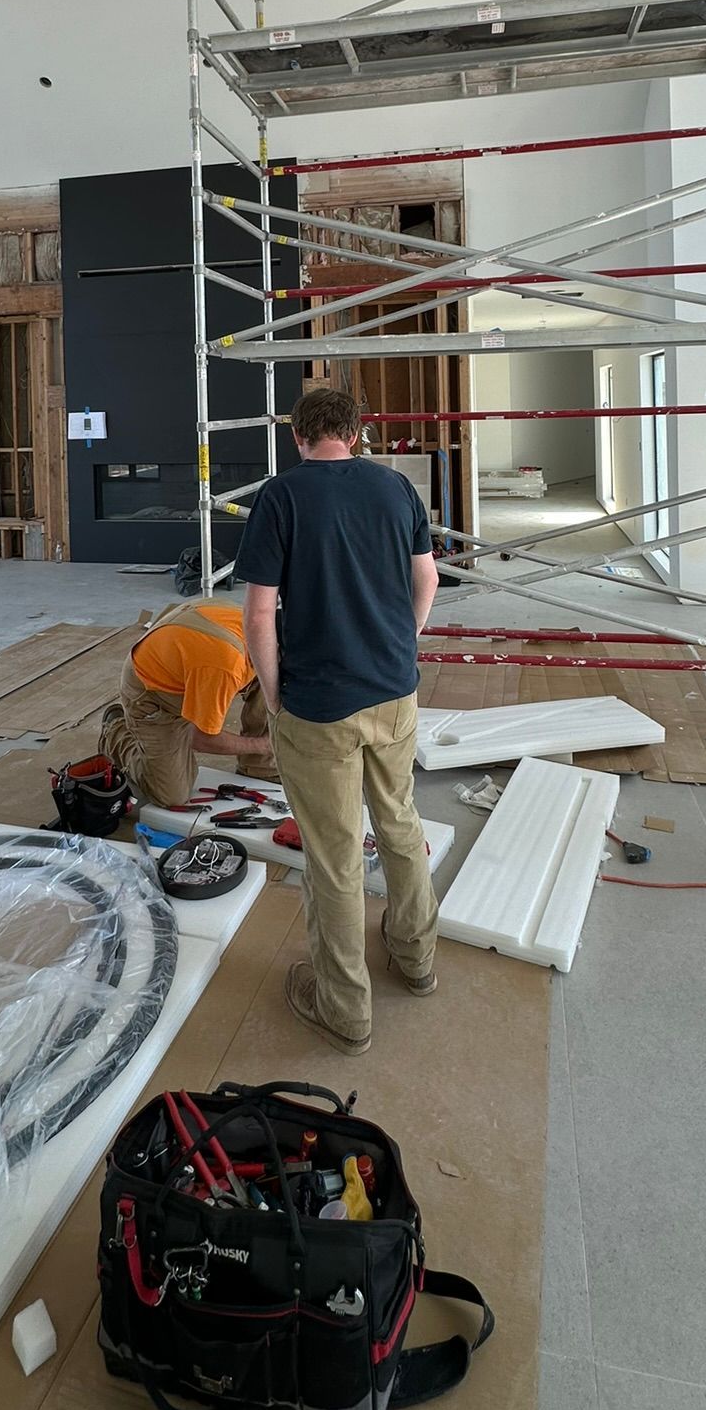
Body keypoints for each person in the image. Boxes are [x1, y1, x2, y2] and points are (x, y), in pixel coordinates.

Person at [235, 387, 442, 1056]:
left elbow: (261, 614)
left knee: (334, 855)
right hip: (393, 691)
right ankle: (416, 961)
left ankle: (346, 1011)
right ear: (355, 434)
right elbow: (428, 578)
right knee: (401, 824)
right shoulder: (395, 490)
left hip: (319, 703)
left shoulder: (281, 497)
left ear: (300, 437)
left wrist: (273, 694)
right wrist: (401, 643)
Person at [99, 600, 274, 810]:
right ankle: (116, 730)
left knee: (274, 681)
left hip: (189, 663)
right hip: (152, 697)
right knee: (172, 795)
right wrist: (261, 745)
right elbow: (201, 738)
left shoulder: (264, 626)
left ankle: (256, 769)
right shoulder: (226, 665)